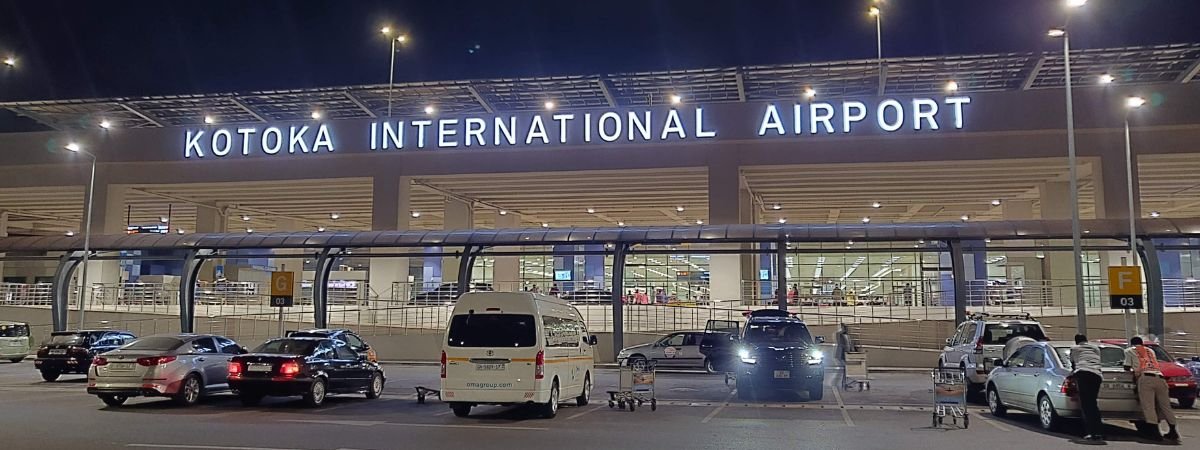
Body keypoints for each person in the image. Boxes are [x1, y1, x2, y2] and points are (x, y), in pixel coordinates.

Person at [1125, 336, 1180, 442]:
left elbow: (1127, 367)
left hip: (1145, 378)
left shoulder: (1130, 350)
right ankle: (1173, 431)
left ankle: (1155, 433)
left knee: (1149, 406)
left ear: (1132, 344)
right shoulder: (1150, 351)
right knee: (1165, 406)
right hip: (1160, 378)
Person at [1069, 334, 1105, 442]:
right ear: (1086, 340)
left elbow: (1073, 363)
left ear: (1076, 341)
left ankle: (1091, 432)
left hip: (1083, 374)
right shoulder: (1095, 348)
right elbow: (1097, 360)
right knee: (1093, 404)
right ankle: (1099, 432)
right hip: (1097, 375)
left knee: (1086, 405)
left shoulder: (1074, 348)